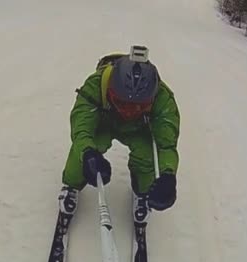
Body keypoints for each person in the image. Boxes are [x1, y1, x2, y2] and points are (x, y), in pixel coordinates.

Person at [58, 46, 180, 222]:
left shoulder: (163, 99)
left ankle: (144, 192)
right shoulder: (96, 84)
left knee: (147, 154)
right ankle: (71, 185)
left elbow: (166, 144)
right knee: (85, 150)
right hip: (105, 122)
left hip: (139, 129)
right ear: (111, 90)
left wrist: (168, 175)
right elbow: (81, 129)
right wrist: (88, 154)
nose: (128, 113)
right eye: (122, 103)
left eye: (138, 106)